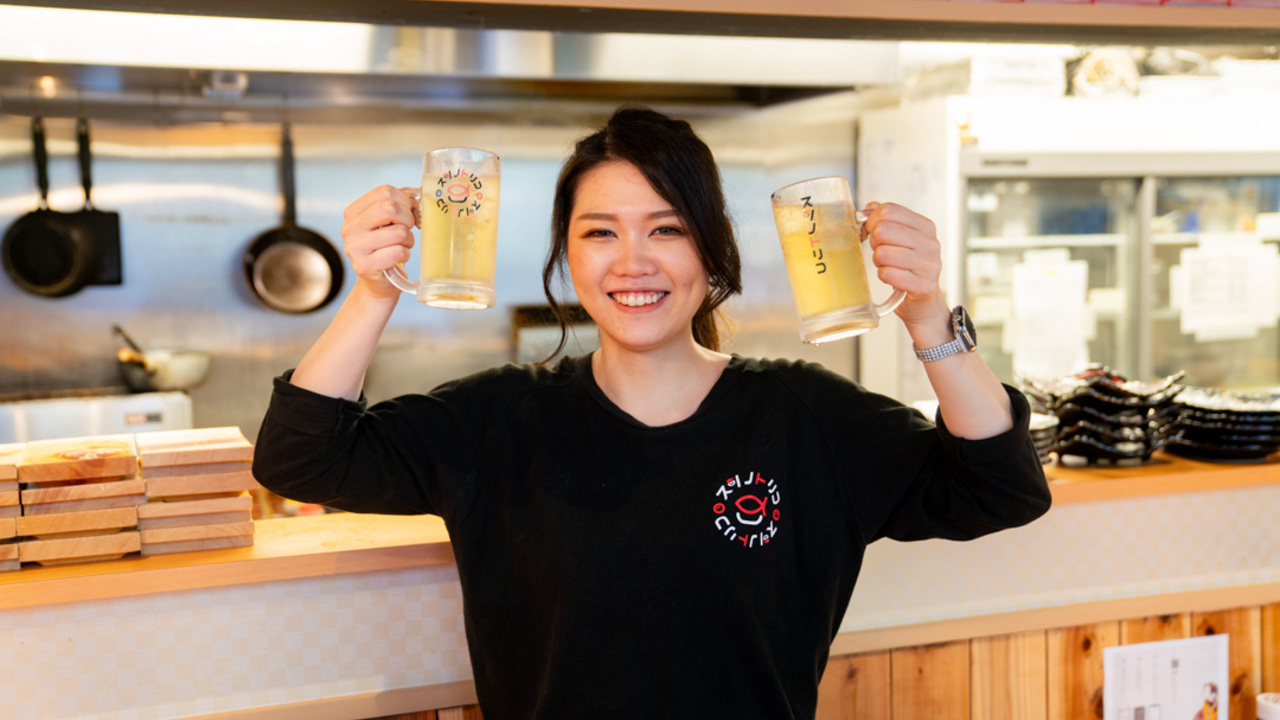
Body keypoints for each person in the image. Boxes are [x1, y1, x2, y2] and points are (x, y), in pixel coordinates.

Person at [253, 106, 1051, 720]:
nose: (633, 262)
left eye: (666, 229)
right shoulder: (501, 420)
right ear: (569, 255)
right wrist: (374, 291)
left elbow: (1001, 487)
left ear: (713, 249)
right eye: (600, 232)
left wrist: (926, 314)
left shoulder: (805, 417)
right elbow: (299, 457)